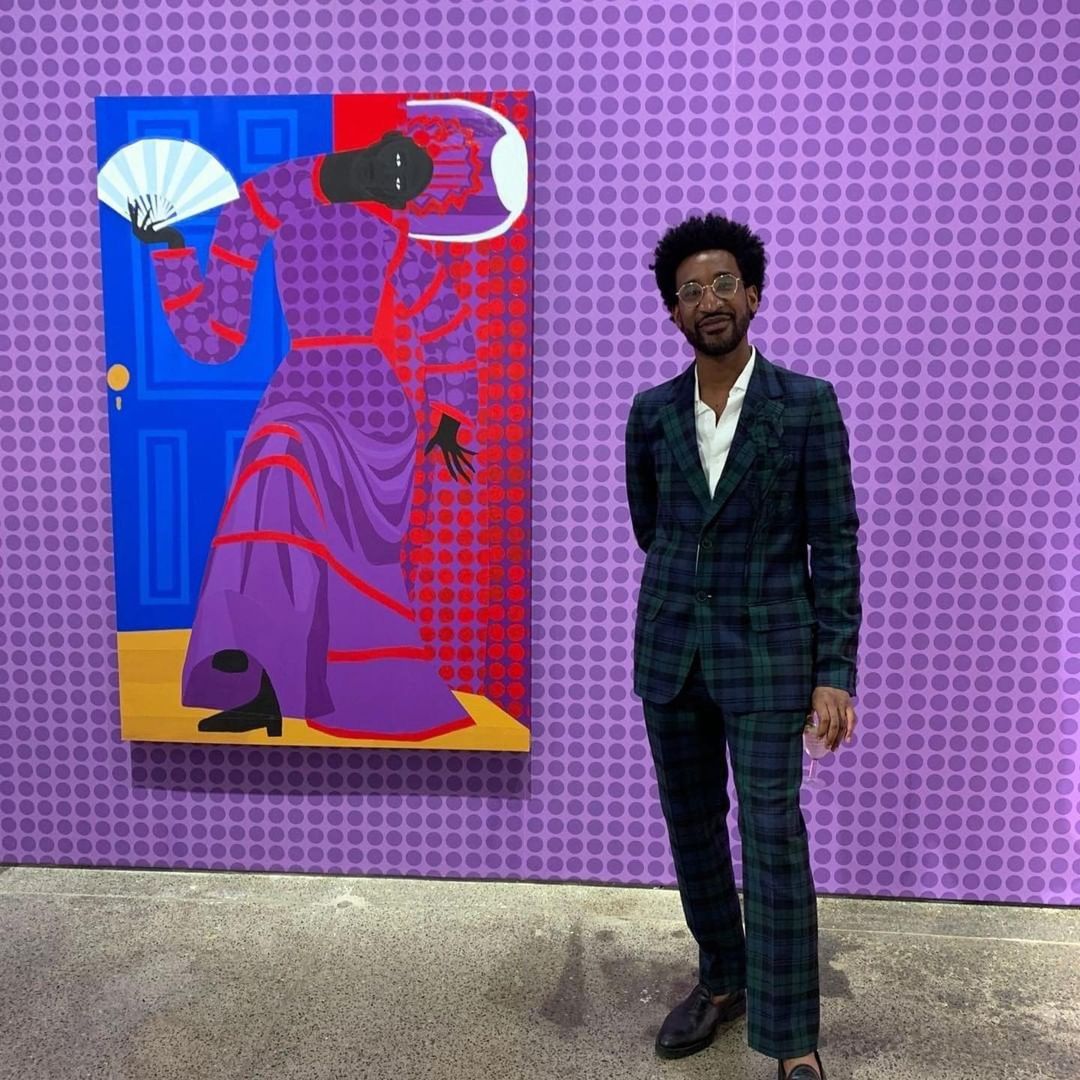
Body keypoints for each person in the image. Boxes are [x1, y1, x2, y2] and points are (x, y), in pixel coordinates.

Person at [129, 118, 492, 741]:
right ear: (386, 143)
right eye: (400, 162)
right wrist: (170, 252)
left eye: (407, 185)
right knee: (267, 507)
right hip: (296, 395)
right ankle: (259, 685)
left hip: (373, 410)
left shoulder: (392, 237)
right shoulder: (266, 204)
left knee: (285, 491)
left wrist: (450, 416)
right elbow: (217, 340)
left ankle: (301, 684)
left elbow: (446, 324)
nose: (395, 181)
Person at [623, 212, 862, 1080]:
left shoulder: (806, 405)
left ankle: (792, 1036)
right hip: (672, 656)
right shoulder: (652, 414)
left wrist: (834, 672)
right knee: (692, 830)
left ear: (753, 294)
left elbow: (835, 543)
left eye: (724, 282)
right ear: (673, 312)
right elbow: (653, 528)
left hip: (770, 660)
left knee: (771, 837)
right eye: (690, 290)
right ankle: (723, 978)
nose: (709, 300)